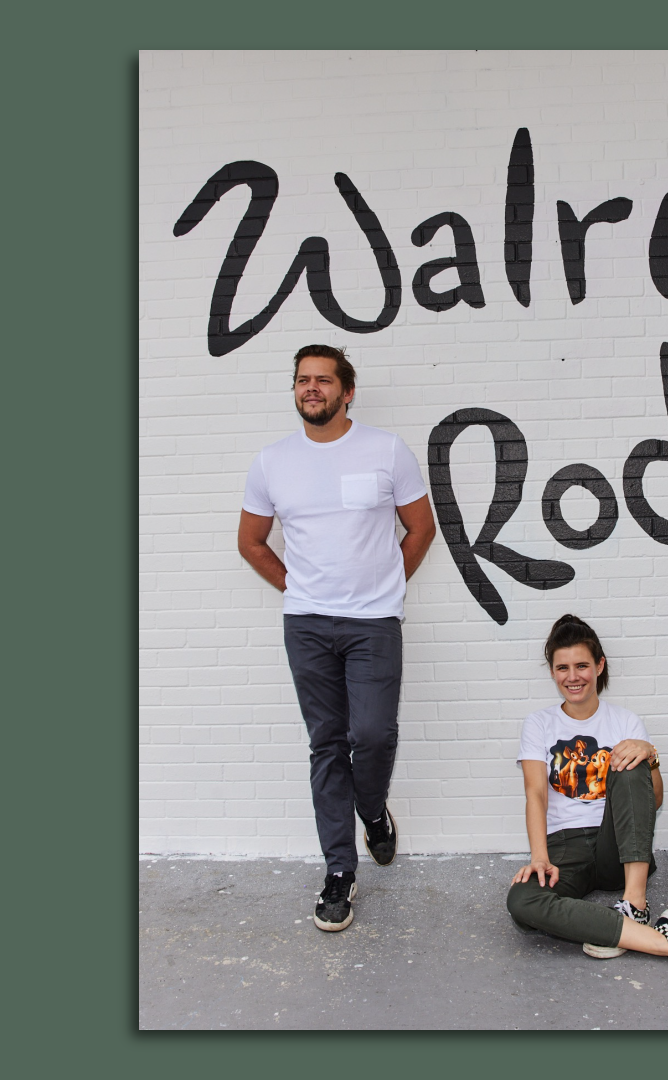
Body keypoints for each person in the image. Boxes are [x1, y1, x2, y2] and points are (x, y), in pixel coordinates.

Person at [236, 345, 436, 932]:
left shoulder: (386, 450)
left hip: (375, 622)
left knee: (372, 735)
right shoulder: (273, 462)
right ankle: (339, 875)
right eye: (303, 380)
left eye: (324, 380)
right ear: (295, 390)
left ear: (348, 392)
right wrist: (293, 587)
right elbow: (251, 542)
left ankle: (372, 811)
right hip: (306, 625)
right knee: (327, 745)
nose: (312, 388)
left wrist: (388, 584)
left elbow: (421, 526)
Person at [505, 615, 668, 970]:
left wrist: (651, 755)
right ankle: (662, 941)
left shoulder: (625, 721)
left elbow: (653, 800)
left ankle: (635, 902)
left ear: (599, 666)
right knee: (522, 904)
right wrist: (540, 857)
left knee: (632, 759)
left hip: (615, 846)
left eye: (582, 665)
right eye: (562, 667)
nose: (573, 677)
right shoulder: (539, 723)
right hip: (563, 848)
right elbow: (535, 793)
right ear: (552, 672)